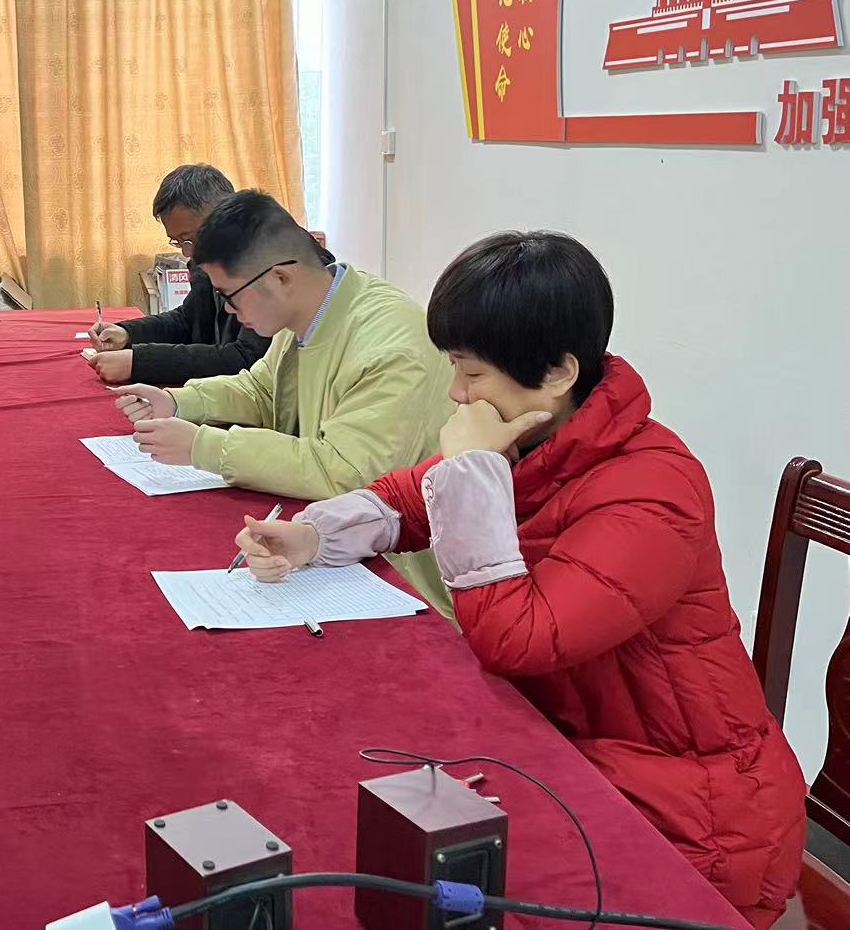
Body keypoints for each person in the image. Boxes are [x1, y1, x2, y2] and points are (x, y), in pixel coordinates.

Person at [231, 232, 805, 926]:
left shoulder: (653, 490)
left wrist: (470, 471)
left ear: (558, 373)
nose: (456, 393)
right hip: (572, 747)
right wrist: (312, 536)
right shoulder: (538, 438)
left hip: (694, 817)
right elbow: (409, 498)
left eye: (471, 374)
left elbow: (517, 640)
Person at [113, 189, 453, 614]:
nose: (229, 311)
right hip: (333, 536)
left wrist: (205, 446)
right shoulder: (313, 311)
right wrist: (178, 401)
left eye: (229, 296)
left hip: (406, 573)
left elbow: (344, 472)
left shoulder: (389, 345)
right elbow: (262, 390)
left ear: (279, 278)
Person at [85, 165, 272, 387]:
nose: (187, 252)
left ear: (225, 214)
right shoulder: (209, 255)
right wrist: (128, 333)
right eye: (178, 241)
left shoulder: (270, 262)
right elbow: (188, 319)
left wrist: (140, 362)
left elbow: (246, 359)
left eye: (189, 238)